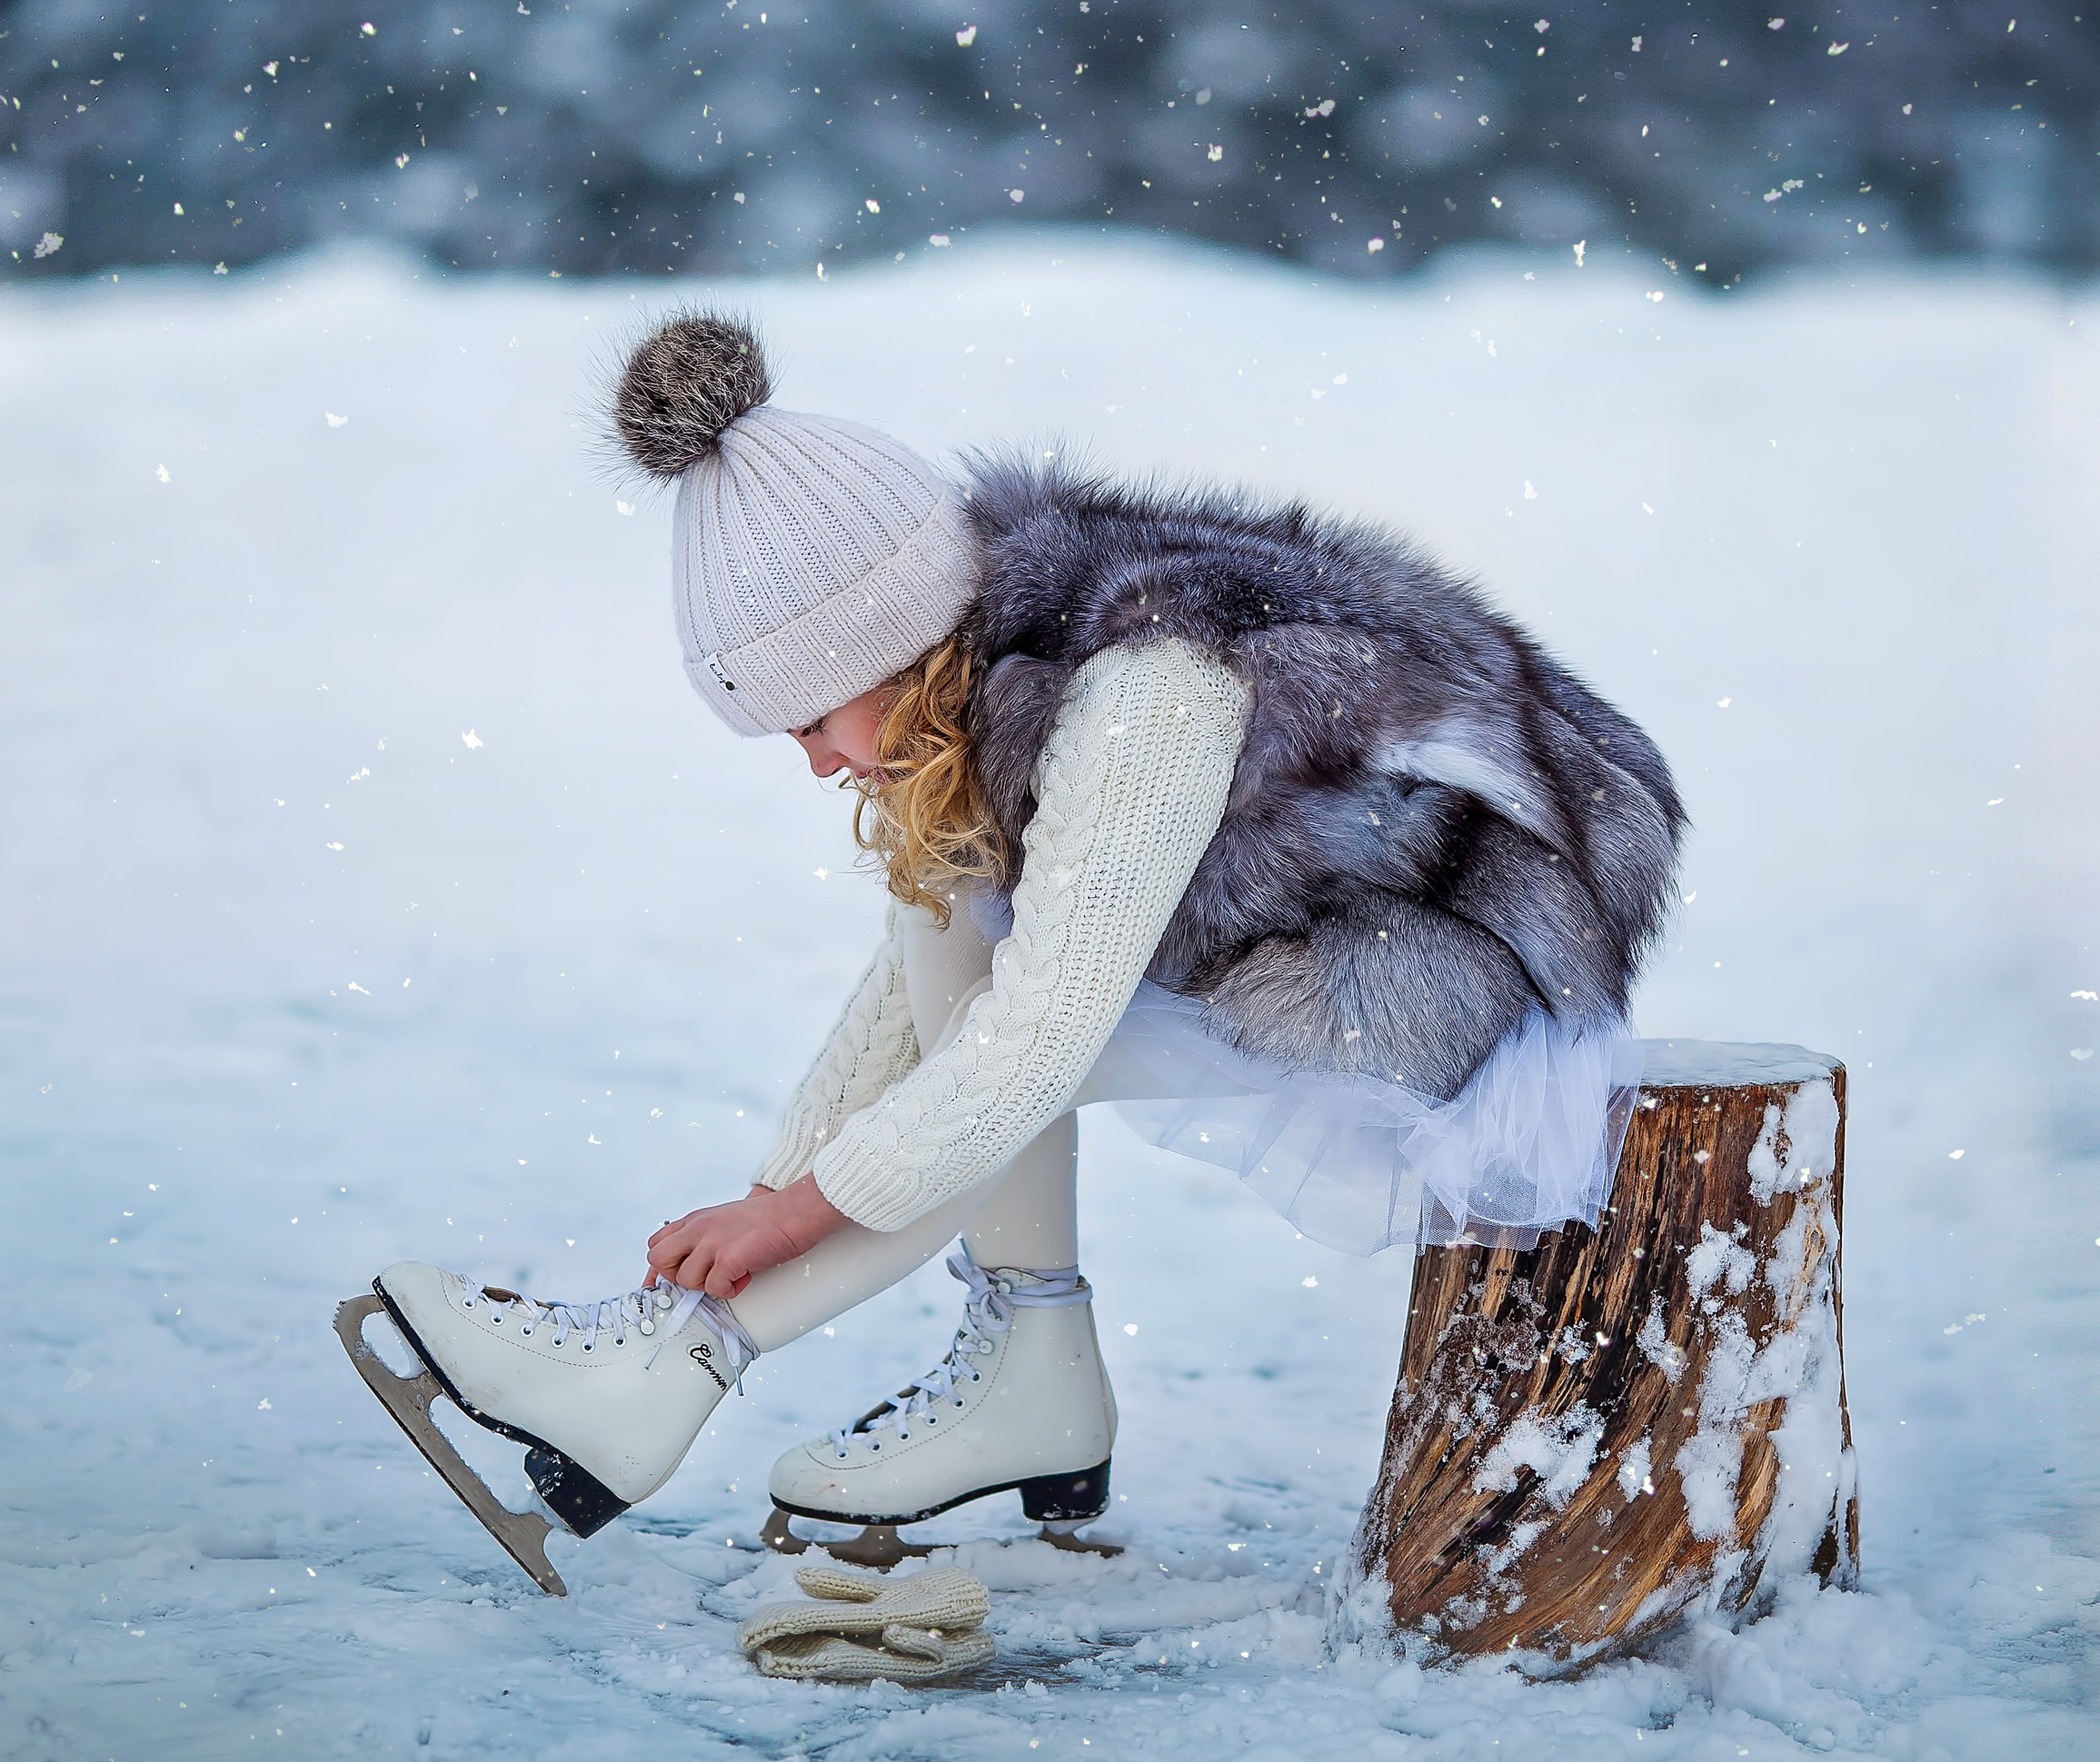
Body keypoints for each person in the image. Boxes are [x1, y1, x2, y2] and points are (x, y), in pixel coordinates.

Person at [352, 312, 1683, 1558]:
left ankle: (671, 1382)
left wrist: (795, 1218)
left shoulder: (1148, 692)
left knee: (1013, 1035)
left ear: (881, 650)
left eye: (815, 719)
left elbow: (1035, 1043)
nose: (816, 763)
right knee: (953, 928)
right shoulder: (1005, 673)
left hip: (1447, 971)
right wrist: (771, 1203)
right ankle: (973, 1369)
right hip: (1325, 918)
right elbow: (917, 989)